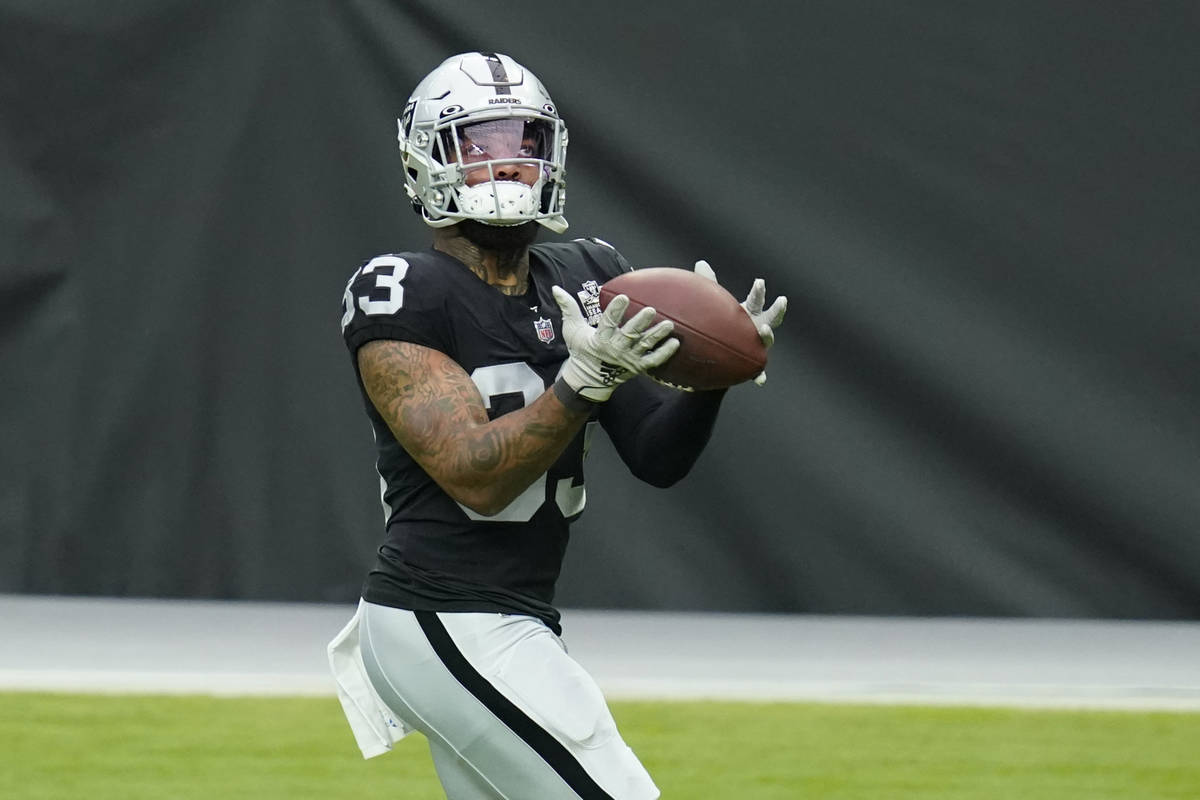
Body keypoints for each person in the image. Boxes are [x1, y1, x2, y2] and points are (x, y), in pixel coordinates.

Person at [328, 51, 786, 800]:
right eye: (479, 145)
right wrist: (582, 380)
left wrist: (715, 377)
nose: (507, 165)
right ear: (426, 160)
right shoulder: (401, 291)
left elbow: (655, 456)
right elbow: (475, 476)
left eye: (524, 142)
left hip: (507, 616)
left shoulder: (585, 273)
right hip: (443, 613)